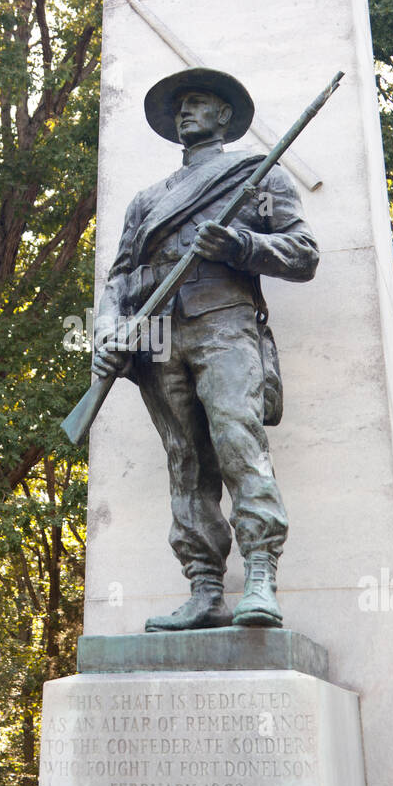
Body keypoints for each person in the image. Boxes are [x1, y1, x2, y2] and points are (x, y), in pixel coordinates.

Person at [92, 68, 319, 631]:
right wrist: (106, 331)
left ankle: (261, 574)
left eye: (197, 103)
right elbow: (119, 279)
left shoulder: (256, 175)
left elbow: (304, 254)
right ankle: (205, 589)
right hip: (157, 338)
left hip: (225, 322)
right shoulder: (148, 199)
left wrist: (240, 244)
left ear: (224, 115)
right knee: (185, 462)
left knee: (239, 443)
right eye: (180, 107)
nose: (185, 112)